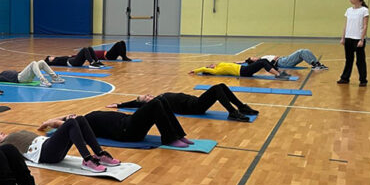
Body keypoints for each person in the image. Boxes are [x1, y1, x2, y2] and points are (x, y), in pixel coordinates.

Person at [0, 115, 120, 173]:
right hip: (45, 153)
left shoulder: (17, 134)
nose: (1, 134)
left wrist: (49, 123)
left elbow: (43, 127)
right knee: (71, 123)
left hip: (50, 145)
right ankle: (87, 159)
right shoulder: (4, 146)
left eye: (0, 132)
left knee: (79, 119)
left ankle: (99, 154)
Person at [39, 97, 193, 148]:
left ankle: (178, 135)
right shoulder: (81, 124)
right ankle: (169, 138)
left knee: (161, 100)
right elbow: (64, 125)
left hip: (128, 123)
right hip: (126, 131)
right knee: (156, 104)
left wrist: (57, 117)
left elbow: (66, 117)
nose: (72, 115)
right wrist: (50, 122)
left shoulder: (83, 118)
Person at [106, 83, 259, 122]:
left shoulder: (160, 96)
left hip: (196, 101)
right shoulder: (157, 102)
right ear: (145, 103)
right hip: (194, 107)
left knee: (221, 86)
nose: (148, 95)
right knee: (217, 89)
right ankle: (233, 112)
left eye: (146, 94)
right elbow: (135, 103)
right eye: (145, 97)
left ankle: (241, 107)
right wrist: (120, 105)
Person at [338, 0, 369, 86]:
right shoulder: (348, 10)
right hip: (348, 39)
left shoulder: (364, 10)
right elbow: (346, 25)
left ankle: (363, 80)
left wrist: (361, 39)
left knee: (360, 61)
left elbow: (365, 26)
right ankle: (345, 78)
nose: (350, 0)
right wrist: (343, 38)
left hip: (358, 39)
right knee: (349, 59)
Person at [0, 60, 66, 87]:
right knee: (33, 63)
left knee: (41, 62)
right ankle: (43, 80)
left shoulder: (3, 73)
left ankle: (54, 77)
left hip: (22, 75)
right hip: (20, 78)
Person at [190, 59, 290, 80]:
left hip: (243, 68)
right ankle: (277, 75)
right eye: (209, 66)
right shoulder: (216, 71)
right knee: (263, 62)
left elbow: (232, 64)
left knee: (264, 60)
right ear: (209, 69)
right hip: (243, 72)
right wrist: (195, 71)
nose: (211, 65)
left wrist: (240, 61)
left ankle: (279, 72)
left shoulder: (220, 64)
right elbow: (203, 68)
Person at [241, 49, 327, 71]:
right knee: (301, 52)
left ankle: (316, 64)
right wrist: (274, 59)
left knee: (303, 52)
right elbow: (271, 65)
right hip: (282, 62)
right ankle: (316, 65)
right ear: (254, 61)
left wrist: (242, 61)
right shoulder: (261, 61)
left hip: (283, 60)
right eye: (253, 58)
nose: (254, 57)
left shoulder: (261, 58)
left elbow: (244, 62)